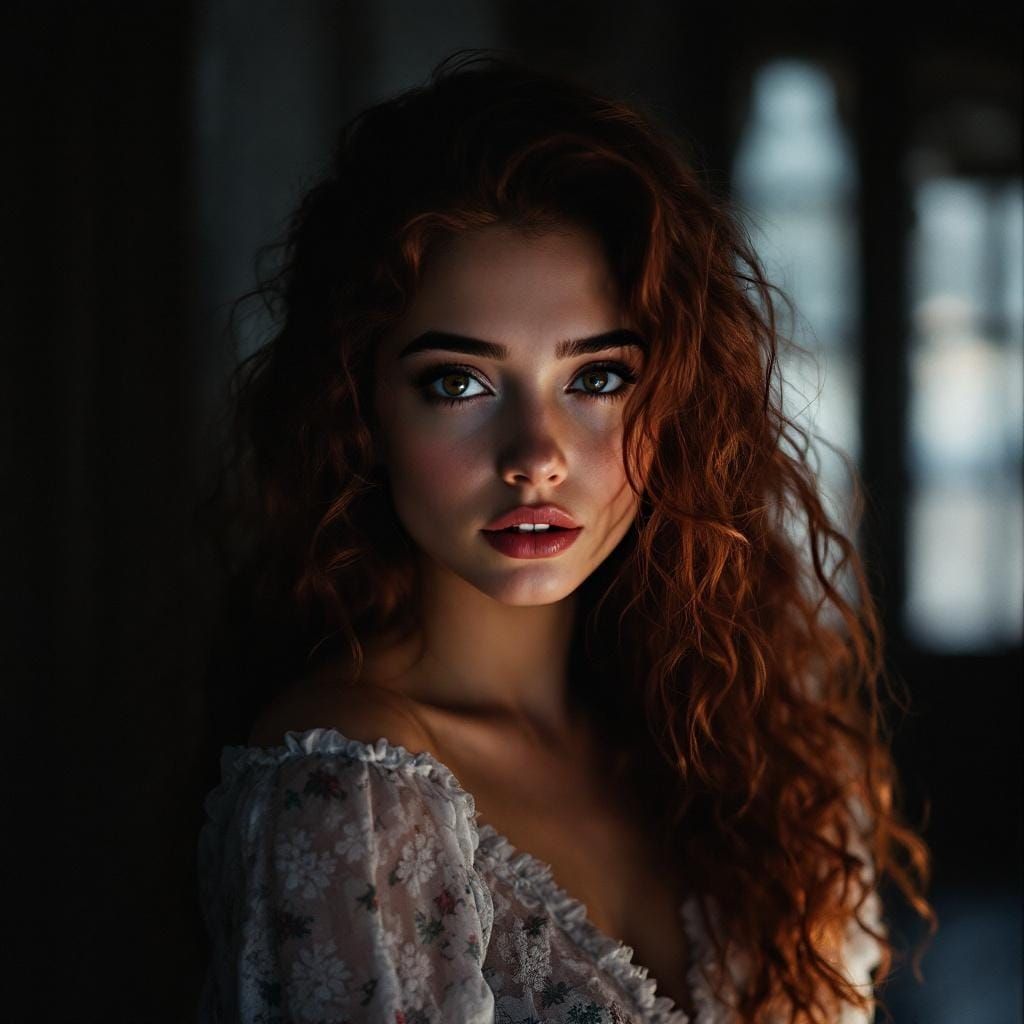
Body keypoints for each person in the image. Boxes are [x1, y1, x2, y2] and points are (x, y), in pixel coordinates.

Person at [195, 51, 933, 1024]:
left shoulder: (749, 749)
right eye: (457, 382)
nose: (536, 456)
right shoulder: (348, 792)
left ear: (675, 401)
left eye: (595, 379)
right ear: (359, 408)